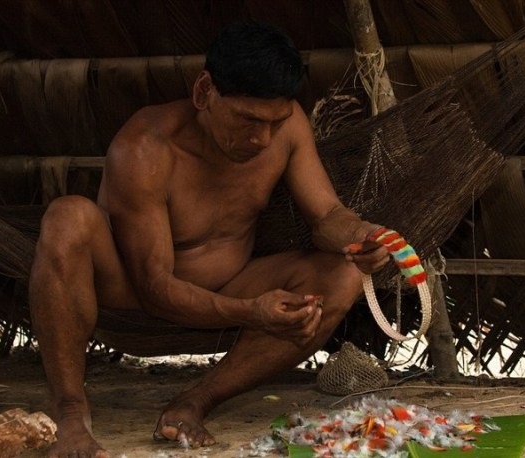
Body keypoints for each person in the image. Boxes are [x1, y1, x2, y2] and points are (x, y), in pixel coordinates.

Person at [28, 21, 390, 458]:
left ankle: (194, 402)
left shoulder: (287, 126)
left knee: (342, 274)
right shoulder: (146, 147)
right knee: (67, 217)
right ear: (204, 92)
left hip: (231, 281)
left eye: (274, 122)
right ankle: (69, 411)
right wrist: (251, 312)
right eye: (247, 120)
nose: (262, 139)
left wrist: (363, 236)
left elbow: (327, 215)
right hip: (131, 291)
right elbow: (154, 288)